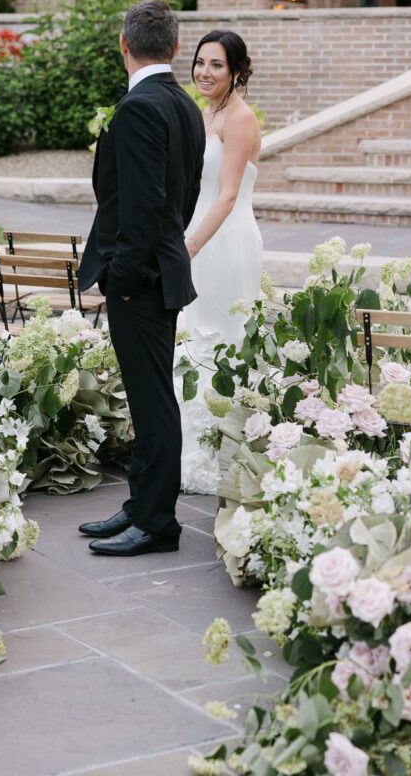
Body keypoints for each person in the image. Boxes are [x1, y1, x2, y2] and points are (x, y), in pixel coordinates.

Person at [78, 0, 206, 556]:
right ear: (176, 48)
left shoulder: (138, 108)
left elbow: (143, 206)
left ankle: (157, 523)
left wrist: (125, 277)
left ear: (124, 46)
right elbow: (185, 196)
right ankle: (139, 505)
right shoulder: (185, 105)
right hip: (164, 270)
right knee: (147, 395)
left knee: (152, 401)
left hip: (142, 280)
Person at [178, 30, 263, 495]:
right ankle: (190, 450)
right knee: (192, 341)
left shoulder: (240, 118)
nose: (204, 72)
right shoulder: (203, 113)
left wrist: (190, 247)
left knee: (222, 341)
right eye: (200, 62)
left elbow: (228, 195)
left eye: (216, 65)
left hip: (224, 243)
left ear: (235, 72)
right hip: (195, 235)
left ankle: (223, 452)